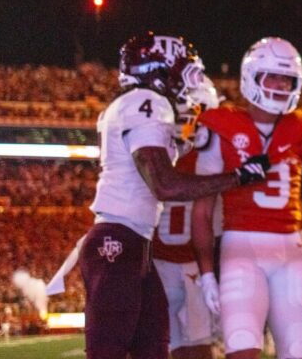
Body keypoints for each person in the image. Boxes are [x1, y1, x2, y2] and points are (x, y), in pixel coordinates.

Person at [82, 32, 272, 359]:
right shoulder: (146, 102)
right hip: (118, 241)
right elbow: (166, 186)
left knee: (154, 346)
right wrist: (238, 177)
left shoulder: (134, 104)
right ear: (159, 70)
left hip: (136, 243)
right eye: (182, 71)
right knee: (109, 351)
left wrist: (189, 143)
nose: (188, 81)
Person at [191, 37, 302, 359]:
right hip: (240, 249)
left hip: (292, 249)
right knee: (242, 348)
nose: (280, 85)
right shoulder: (220, 127)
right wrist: (206, 273)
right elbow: (202, 210)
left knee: (300, 350)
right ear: (251, 77)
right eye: (272, 77)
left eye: (287, 79)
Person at [151, 70, 220, 359]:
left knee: (163, 346)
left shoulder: (153, 151)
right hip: (187, 265)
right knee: (191, 348)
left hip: (171, 264)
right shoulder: (211, 155)